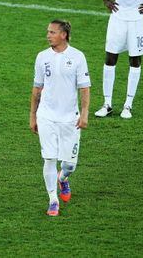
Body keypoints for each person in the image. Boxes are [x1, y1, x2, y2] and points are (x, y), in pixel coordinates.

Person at [30, 20, 91, 217]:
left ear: (63, 35)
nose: (48, 35)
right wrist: (33, 115)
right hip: (46, 116)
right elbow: (37, 88)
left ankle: (63, 178)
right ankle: (53, 200)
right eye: (48, 31)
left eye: (52, 32)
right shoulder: (42, 57)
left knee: (70, 165)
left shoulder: (77, 57)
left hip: (69, 120)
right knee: (49, 157)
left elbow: (84, 88)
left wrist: (85, 113)